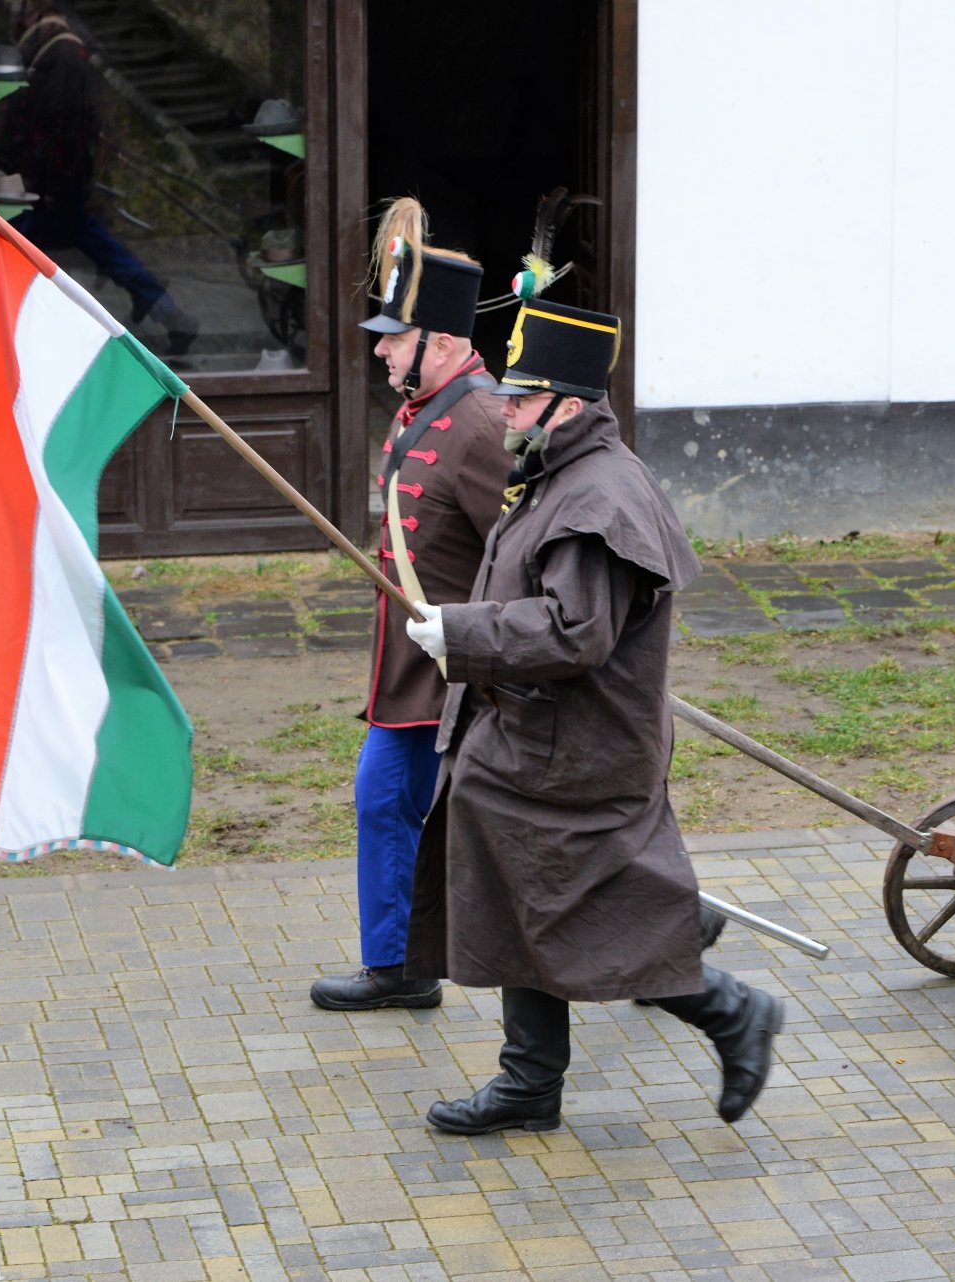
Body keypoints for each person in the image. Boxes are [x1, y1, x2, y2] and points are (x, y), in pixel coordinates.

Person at [400, 297, 782, 1132]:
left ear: (568, 406)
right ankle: (531, 1083)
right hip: (534, 744)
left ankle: (728, 1009)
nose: (503, 409)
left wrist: (461, 631)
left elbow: (575, 630)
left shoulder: (595, 499)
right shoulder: (560, 472)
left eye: (521, 397)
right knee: (523, 897)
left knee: (581, 914)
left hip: (573, 756)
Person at [308, 199, 514, 1012]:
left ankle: (666, 924)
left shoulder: (482, 422)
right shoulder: (423, 409)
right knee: (385, 799)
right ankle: (398, 965)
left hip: (468, 668)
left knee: (511, 827)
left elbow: (528, 553)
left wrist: (505, 645)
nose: (383, 349)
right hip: (413, 663)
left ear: (446, 340)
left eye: (395, 337)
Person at [0, 0, 197, 354]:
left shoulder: (59, 52)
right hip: (52, 184)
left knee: (16, 251)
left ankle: (171, 314)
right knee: (96, 250)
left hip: (51, 187)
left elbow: (62, 128)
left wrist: (44, 181)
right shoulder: (54, 47)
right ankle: (169, 313)